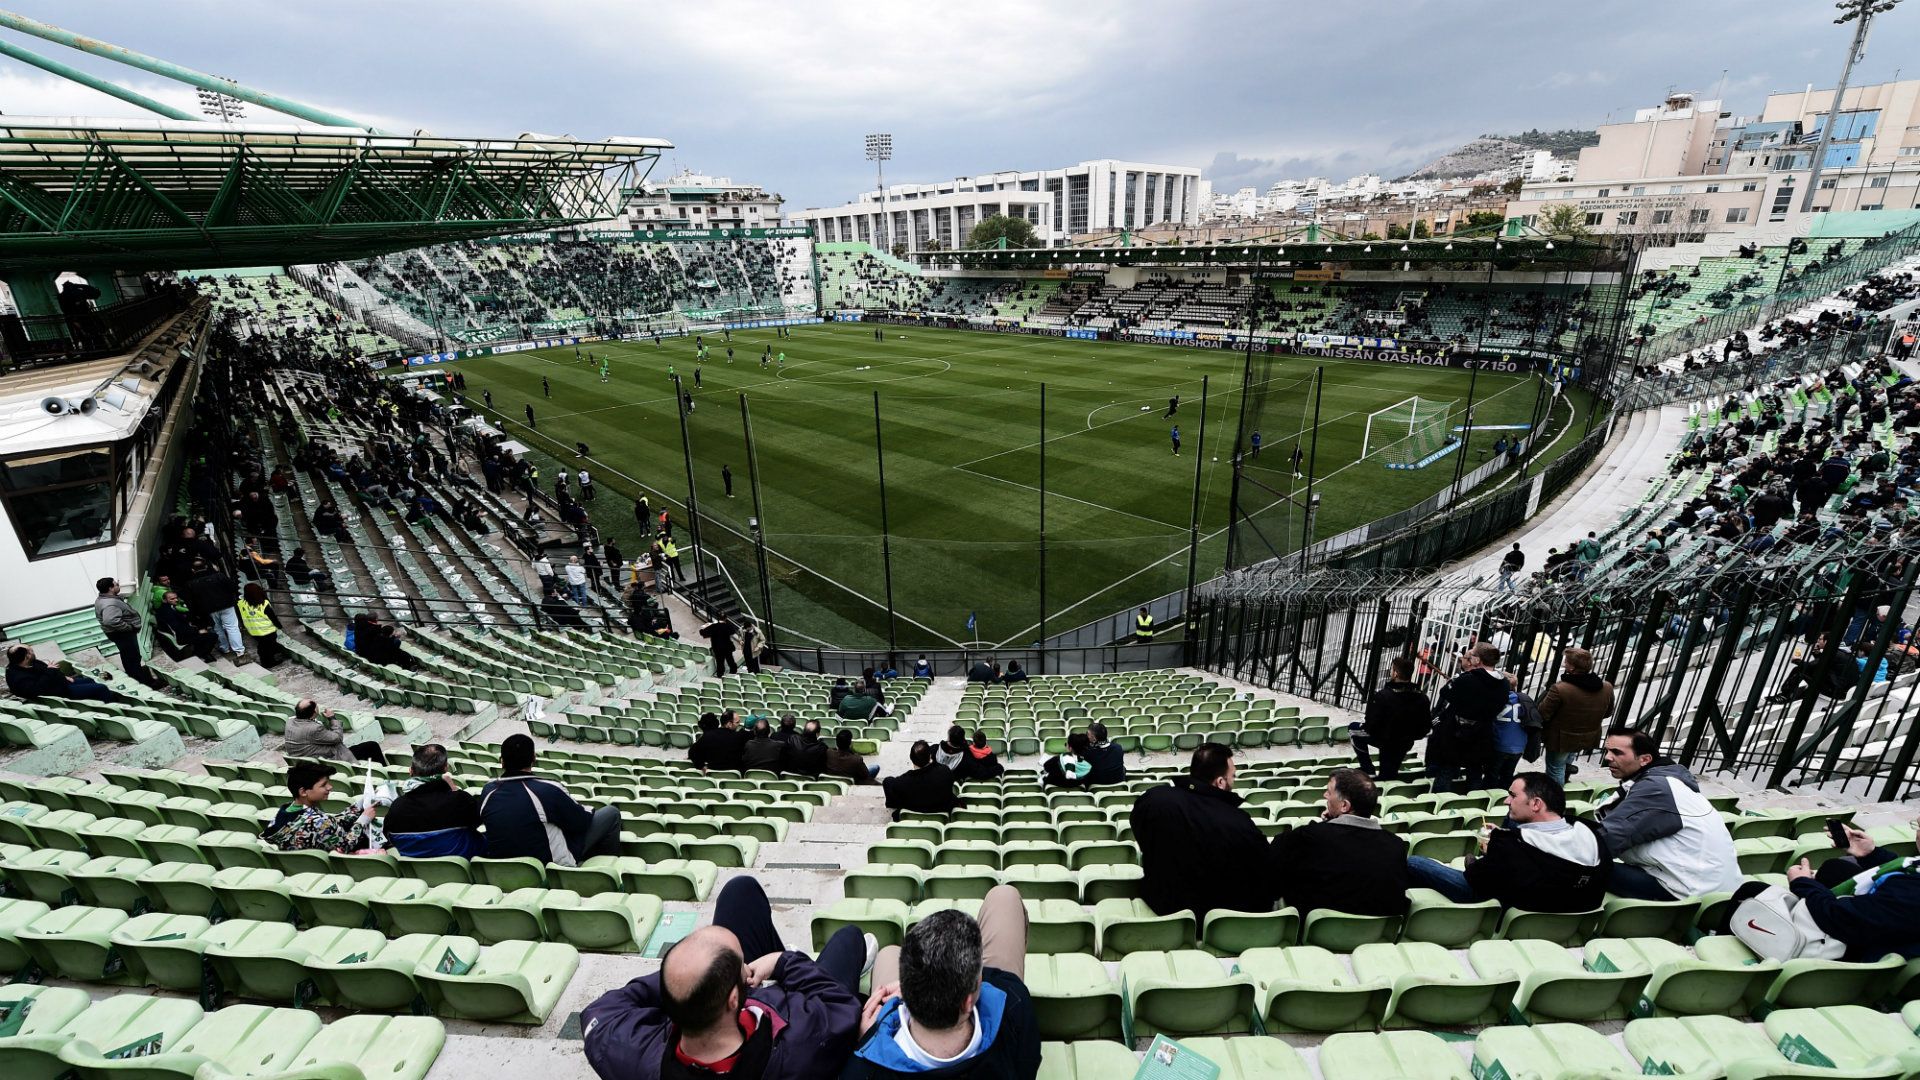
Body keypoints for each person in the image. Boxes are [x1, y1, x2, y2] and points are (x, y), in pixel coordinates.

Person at [582, 875, 865, 1080]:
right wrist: (782, 962)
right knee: (849, 938)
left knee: (738, 891)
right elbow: (842, 1007)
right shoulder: (805, 1040)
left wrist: (688, 976)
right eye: (741, 961)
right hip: (784, 1012)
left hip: (712, 1008)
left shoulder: (628, 1050)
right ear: (733, 998)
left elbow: (600, 1010)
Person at [841, 890, 1041, 1080]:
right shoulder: (1015, 1004)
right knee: (1004, 897)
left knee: (888, 953)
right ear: (967, 1001)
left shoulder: (861, 1070)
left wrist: (869, 1039)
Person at [1404, 772, 1610, 911]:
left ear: (1536, 803)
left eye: (1512, 795)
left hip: (1507, 902)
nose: (1506, 801)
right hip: (1567, 909)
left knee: (1414, 862)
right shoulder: (1594, 837)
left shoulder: (1509, 847)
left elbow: (1475, 880)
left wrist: (1491, 851)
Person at [1131, 743, 1278, 921]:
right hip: (1219, 918)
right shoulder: (1240, 823)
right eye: (1232, 776)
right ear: (1220, 782)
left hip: (1163, 906)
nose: (1233, 780)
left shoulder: (1154, 799)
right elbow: (1265, 870)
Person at [1592, 727, 1741, 900]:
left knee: (1578, 864)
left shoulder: (1655, 789)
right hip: (1716, 887)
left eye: (1617, 752)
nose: (1607, 757)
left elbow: (1608, 838)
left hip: (1689, 892)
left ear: (1645, 759)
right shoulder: (1671, 781)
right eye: (1607, 751)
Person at [1267, 768, 1410, 919]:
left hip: (1316, 935)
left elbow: (1276, 850)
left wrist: (1327, 826)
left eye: (1329, 792)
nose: (1325, 795)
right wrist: (1332, 824)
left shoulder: (1310, 837)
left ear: (1344, 806)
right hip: (1377, 936)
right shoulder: (1396, 845)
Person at [1777, 819, 1920, 962]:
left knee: (1756, 890)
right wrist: (1872, 854)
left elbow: (1839, 917)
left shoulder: (1909, 895)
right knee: (1833, 869)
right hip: (1892, 923)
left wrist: (1802, 883)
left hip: (1859, 950)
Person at [479, 734, 622, 867]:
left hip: (506, 866)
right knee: (611, 813)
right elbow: (580, 823)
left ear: (502, 762)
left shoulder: (487, 792)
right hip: (549, 866)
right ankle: (605, 869)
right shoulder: (548, 789)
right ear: (533, 758)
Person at [1427, 642, 1512, 793]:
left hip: (1458, 731)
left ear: (1477, 660)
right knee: (1475, 771)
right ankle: (1472, 801)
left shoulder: (1467, 679)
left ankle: (1438, 802)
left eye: (1472, 654)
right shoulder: (1504, 683)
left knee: (1447, 769)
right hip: (1483, 731)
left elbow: (1446, 693)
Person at [384, 743, 484, 857]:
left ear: (411, 771)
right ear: (446, 768)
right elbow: (477, 821)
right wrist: (455, 790)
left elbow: (390, 836)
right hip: (465, 863)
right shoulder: (459, 800)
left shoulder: (397, 807)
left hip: (419, 870)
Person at [1537, 646, 1614, 786]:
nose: (1563, 664)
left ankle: (1554, 800)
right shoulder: (1607, 686)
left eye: (1566, 661)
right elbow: (1608, 713)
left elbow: (1543, 713)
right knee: (1566, 762)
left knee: (1555, 769)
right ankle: (1564, 781)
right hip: (1587, 735)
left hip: (1562, 738)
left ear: (1571, 668)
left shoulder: (1560, 688)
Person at [262, 762, 375, 853]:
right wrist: (363, 820)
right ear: (303, 791)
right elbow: (344, 846)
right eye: (323, 785)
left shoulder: (285, 812)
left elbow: (332, 823)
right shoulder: (317, 822)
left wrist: (360, 804)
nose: (330, 787)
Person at [1354, 655, 1429, 779]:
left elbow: (1371, 723)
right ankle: (1385, 775)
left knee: (1353, 729)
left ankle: (1367, 768)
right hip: (1406, 740)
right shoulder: (1422, 697)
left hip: (1385, 739)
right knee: (1390, 769)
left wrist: (1376, 732)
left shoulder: (1383, 696)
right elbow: (1426, 726)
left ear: (1395, 673)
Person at [94, 578, 159, 688]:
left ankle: (138, 679)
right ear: (110, 588)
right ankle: (142, 684)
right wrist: (128, 627)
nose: (118, 586)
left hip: (119, 634)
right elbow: (110, 620)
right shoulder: (110, 604)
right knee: (132, 659)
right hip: (122, 634)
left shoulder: (103, 598)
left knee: (128, 657)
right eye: (116, 584)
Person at [5, 644, 125, 703]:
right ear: (27, 656)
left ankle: (102, 702)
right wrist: (50, 671)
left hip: (62, 683)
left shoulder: (31, 662)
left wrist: (64, 677)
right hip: (59, 693)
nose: (33, 651)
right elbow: (38, 690)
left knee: (91, 680)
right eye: (30, 651)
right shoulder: (17, 677)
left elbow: (46, 672)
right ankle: (114, 707)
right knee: (101, 688)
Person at [282, 699, 387, 764]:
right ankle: (385, 772)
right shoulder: (314, 729)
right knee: (372, 746)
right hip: (326, 762)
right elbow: (337, 738)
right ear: (314, 713)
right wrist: (332, 718)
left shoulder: (289, 723)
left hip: (304, 760)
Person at [182, 558, 244, 657]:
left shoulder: (190, 583)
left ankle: (225, 648)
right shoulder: (219, 576)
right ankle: (239, 650)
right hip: (227, 605)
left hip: (208, 610)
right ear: (206, 566)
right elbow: (233, 588)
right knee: (232, 628)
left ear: (193, 570)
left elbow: (191, 601)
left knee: (217, 629)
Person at [883, 741, 959, 819]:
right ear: (930, 757)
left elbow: (889, 783)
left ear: (911, 759)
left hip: (912, 817)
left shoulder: (902, 782)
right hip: (942, 817)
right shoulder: (945, 771)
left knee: (887, 781)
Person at [153, 590, 217, 661]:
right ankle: (200, 654)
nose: (176, 600)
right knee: (212, 636)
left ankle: (201, 652)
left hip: (183, 632)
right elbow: (178, 628)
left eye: (176, 598)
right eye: (172, 599)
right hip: (181, 637)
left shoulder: (167, 607)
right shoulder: (167, 612)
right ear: (164, 600)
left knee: (202, 625)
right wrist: (197, 631)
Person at [236, 581, 285, 667]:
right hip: (267, 630)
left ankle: (268, 659)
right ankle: (269, 662)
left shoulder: (241, 604)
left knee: (263, 646)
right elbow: (272, 617)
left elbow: (240, 616)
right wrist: (279, 626)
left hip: (254, 631)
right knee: (267, 647)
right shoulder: (264, 603)